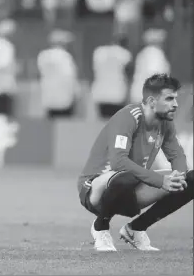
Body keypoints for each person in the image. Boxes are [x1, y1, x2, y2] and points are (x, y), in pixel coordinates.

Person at [78, 73, 193, 252]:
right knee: (126, 175)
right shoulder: (128, 117)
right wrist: (161, 181)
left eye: (175, 99)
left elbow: (177, 155)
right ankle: (100, 228)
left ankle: (136, 229)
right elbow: (119, 162)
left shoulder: (165, 123)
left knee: (190, 178)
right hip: (96, 189)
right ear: (152, 101)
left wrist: (178, 175)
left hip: (131, 188)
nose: (175, 104)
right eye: (169, 98)